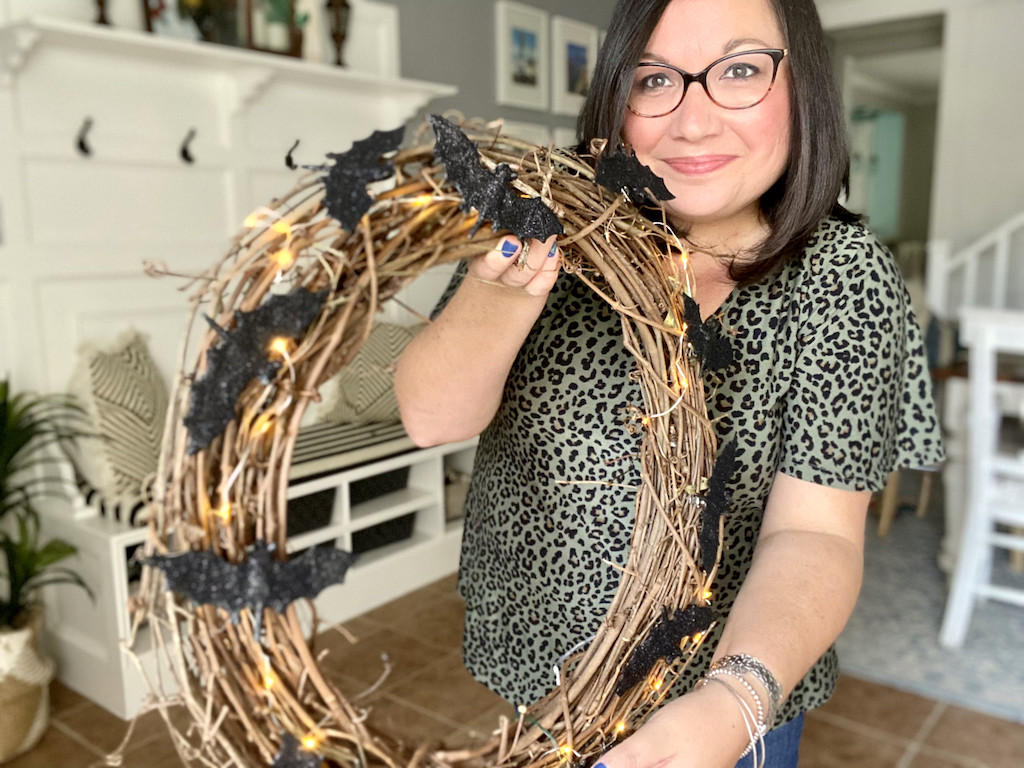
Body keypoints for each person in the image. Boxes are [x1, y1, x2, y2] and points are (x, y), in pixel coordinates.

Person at [394, 0, 944, 765]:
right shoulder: (552, 231)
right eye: (654, 80)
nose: (692, 122)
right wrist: (498, 295)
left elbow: (814, 533)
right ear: (618, 104)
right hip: (541, 681)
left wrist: (732, 703)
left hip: (722, 705)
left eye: (742, 71)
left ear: (804, 87)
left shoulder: (843, 279)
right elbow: (430, 418)